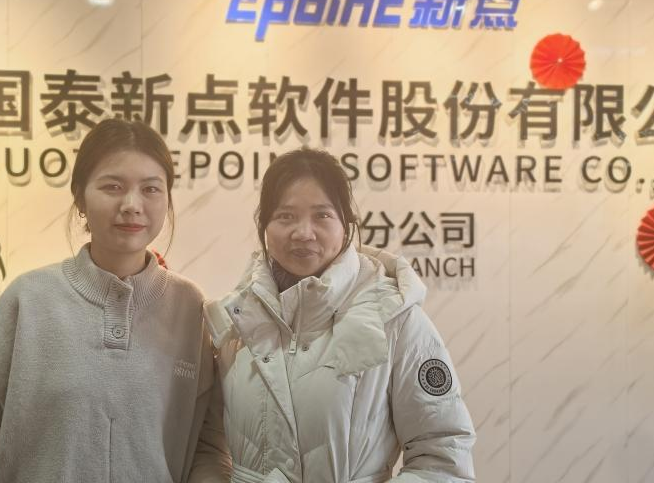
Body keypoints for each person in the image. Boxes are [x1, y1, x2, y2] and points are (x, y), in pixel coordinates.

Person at [0, 119, 230, 482]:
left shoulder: (190, 307)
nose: (132, 205)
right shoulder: (28, 300)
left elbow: (208, 440)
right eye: (113, 186)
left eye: (151, 189)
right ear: (79, 196)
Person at [204, 147, 476, 483]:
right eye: (285, 216)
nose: (304, 232)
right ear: (264, 226)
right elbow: (207, 444)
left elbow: (444, 454)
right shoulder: (237, 319)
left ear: (346, 225)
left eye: (322, 215)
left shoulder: (394, 318)